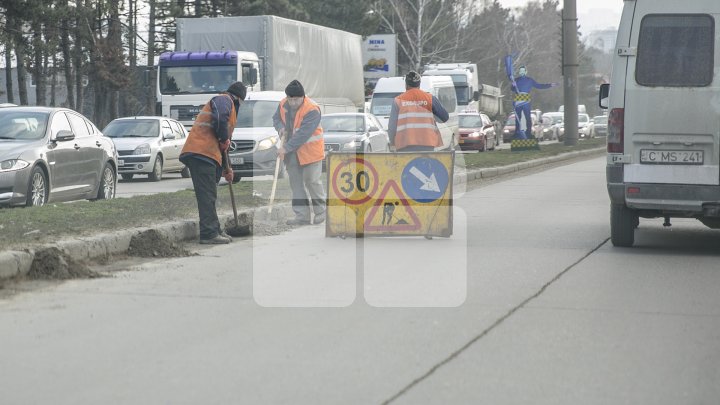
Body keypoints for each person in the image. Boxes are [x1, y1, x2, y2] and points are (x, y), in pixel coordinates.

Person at [180, 81, 246, 244]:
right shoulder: (224, 100)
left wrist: (226, 168)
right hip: (200, 153)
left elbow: (224, 145)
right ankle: (208, 233)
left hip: (208, 155)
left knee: (210, 194)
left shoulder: (229, 106)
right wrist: (224, 138)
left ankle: (214, 229)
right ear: (238, 98)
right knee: (207, 195)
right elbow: (219, 121)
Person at [273, 79, 326, 226]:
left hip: (310, 152)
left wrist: (285, 148)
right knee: (296, 184)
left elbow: (303, 134)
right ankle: (302, 216)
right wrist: (280, 127)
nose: (293, 102)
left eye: (296, 99)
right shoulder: (283, 104)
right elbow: (276, 118)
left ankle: (321, 211)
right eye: (291, 99)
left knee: (312, 181)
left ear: (303, 97)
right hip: (292, 154)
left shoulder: (312, 109)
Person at [387, 71, 449, 152]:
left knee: (408, 165)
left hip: (405, 144)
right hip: (427, 143)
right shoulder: (430, 99)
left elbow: (392, 127)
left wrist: (392, 143)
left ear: (406, 85)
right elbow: (444, 117)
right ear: (419, 85)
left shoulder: (398, 101)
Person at [508, 63, 558, 139]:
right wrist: (513, 85)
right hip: (518, 99)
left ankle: (528, 134)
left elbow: (539, 86)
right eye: (520, 71)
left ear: (525, 72)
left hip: (526, 100)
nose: (521, 72)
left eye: (523, 71)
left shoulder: (529, 80)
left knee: (527, 118)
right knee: (518, 117)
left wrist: (550, 85)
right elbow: (512, 89)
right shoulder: (516, 80)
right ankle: (517, 133)